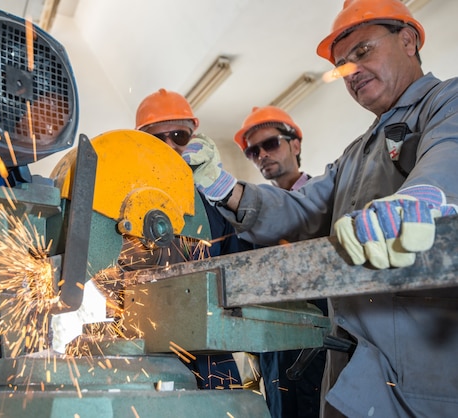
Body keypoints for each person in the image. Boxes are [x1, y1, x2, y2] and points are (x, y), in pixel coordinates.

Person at [183, 0, 458, 416]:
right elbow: (303, 210)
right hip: (356, 371)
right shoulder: (355, 153)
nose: (353, 71)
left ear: (407, 40)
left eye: (363, 51)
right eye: (344, 65)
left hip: (426, 373)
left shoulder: (446, 102)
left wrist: (422, 199)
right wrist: (224, 188)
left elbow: (449, 152)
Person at [135, 88, 255, 390]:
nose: (169, 145)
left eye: (179, 135)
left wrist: (220, 192)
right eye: (157, 138)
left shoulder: (212, 202)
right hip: (148, 353)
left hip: (212, 353)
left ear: (195, 136)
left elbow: (241, 264)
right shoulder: (127, 202)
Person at [234, 106, 327, 418]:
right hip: (274, 346)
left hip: (324, 336)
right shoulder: (249, 221)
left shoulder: (328, 201)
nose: (262, 155)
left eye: (270, 144)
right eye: (253, 151)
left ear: (295, 145)